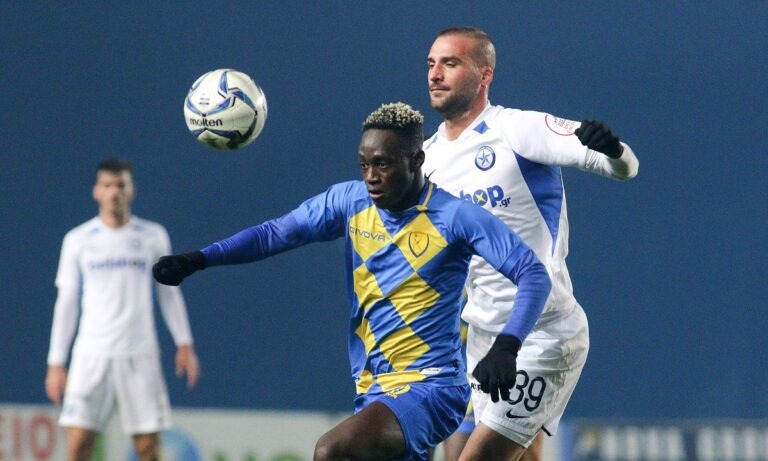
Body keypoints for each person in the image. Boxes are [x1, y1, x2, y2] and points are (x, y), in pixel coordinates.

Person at [152, 102, 552, 461]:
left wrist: (508, 345)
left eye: (383, 164)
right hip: (373, 389)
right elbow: (275, 234)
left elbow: (533, 273)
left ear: (416, 159)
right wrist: (199, 258)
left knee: (332, 451)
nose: (371, 176)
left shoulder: (455, 217)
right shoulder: (349, 202)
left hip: (432, 388)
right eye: (364, 165)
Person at [423, 27, 640, 461]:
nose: (435, 74)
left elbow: (623, 166)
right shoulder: (427, 158)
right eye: (431, 64)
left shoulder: (518, 129)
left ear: (484, 75)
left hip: (544, 335)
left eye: (450, 63)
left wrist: (614, 150)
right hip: (484, 339)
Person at [45, 157, 200, 461]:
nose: (114, 192)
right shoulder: (77, 240)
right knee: (78, 445)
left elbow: (169, 293)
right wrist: (56, 362)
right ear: (96, 191)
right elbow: (67, 302)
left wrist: (185, 343)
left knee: (148, 448)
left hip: (139, 353)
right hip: (91, 354)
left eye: (120, 185)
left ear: (132, 190)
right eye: (107, 185)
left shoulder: (153, 236)